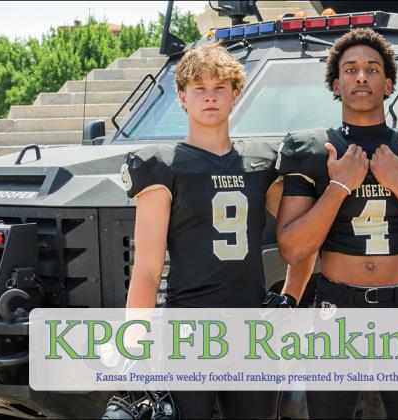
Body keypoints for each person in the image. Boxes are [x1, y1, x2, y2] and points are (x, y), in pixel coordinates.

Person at [274, 28, 398, 419]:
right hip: (336, 308)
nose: (361, 77)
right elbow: (292, 248)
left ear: (388, 84)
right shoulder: (314, 149)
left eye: (373, 69)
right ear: (336, 84)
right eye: (351, 69)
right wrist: (339, 185)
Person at [122, 42, 314, 419]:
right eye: (199, 88)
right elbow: (147, 266)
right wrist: (134, 336)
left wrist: (290, 299)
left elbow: (303, 239)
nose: (210, 97)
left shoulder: (261, 163)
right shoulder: (164, 167)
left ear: (235, 94)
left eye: (219, 88)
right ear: (182, 97)